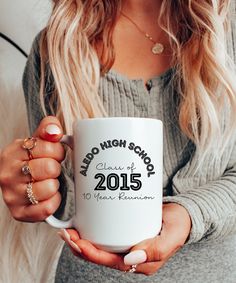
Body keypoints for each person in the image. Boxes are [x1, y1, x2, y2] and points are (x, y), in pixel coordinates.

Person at [0, 0, 236, 282]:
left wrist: (190, 213)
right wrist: (34, 184)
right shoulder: (56, 47)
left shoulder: (228, 31)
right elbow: (68, 201)